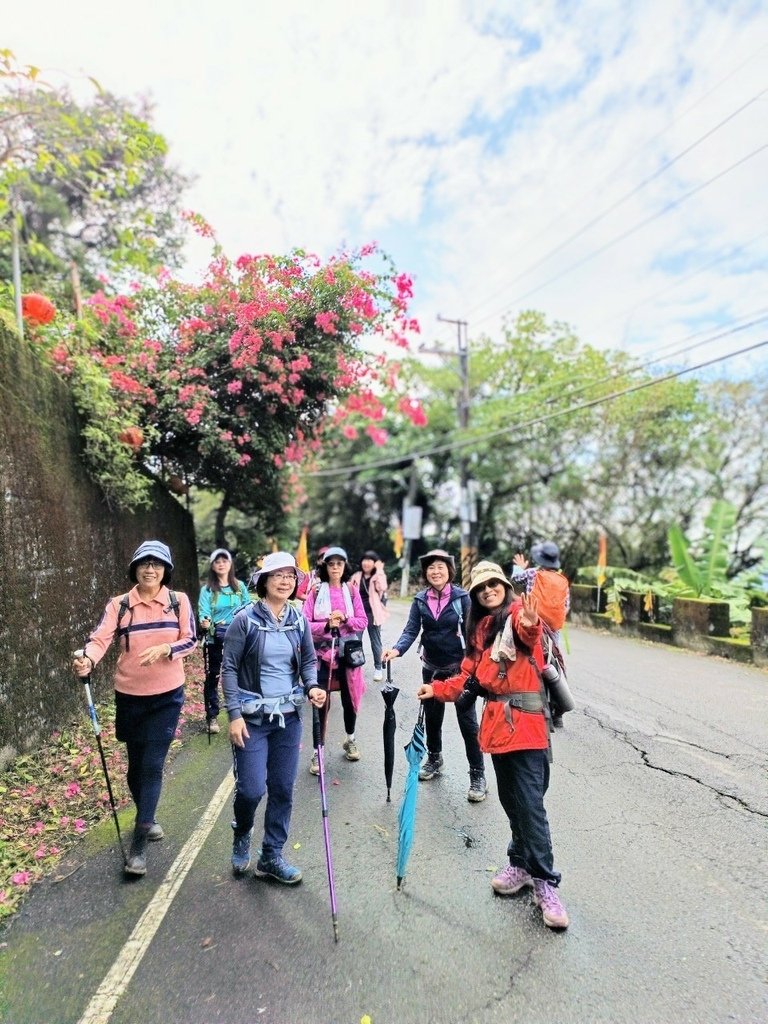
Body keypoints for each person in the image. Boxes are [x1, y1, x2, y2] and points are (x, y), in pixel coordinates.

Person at [417, 560, 569, 930]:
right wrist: (435, 689)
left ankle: (546, 882)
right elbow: (467, 677)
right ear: (475, 596)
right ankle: (519, 863)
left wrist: (531, 621)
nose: (487, 591)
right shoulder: (481, 632)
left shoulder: (516, 616)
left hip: (529, 728)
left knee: (531, 806)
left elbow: (528, 631)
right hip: (499, 730)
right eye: (480, 588)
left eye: (493, 584)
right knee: (511, 802)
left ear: (504, 585)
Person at [71, 541, 197, 878]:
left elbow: (191, 639)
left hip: (167, 696)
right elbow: (99, 639)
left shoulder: (178, 601)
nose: (150, 569)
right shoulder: (120, 605)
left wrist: (167, 648)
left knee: (153, 766)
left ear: (166, 570)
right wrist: (87, 659)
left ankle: (139, 843)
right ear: (135, 569)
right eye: (144, 563)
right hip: (129, 695)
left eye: (157, 564)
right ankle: (147, 814)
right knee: (135, 764)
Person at [220, 552, 326, 884]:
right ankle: (242, 831)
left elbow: (309, 660)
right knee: (251, 790)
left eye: (290, 576)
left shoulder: (298, 620)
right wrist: (234, 714)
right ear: (264, 580)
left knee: (282, 788)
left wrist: (312, 686)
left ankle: (271, 855)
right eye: (277, 575)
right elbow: (230, 668)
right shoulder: (245, 620)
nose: (285, 581)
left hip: (288, 717)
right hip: (251, 719)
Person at [382, 549, 487, 803]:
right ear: (426, 573)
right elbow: (411, 630)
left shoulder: (463, 598)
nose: (435, 571)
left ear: (449, 571)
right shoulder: (420, 600)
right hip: (431, 667)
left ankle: (477, 773)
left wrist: (474, 666)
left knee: (468, 723)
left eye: (440, 567)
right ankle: (435, 758)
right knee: (432, 719)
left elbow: (472, 635)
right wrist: (396, 649)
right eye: (431, 568)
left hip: (459, 669)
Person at [303, 546, 368, 773]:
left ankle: (350, 739)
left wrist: (346, 619)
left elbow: (363, 621)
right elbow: (305, 625)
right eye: (331, 564)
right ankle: (316, 752)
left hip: (347, 655)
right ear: (325, 567)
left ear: (345, 566)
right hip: (321, 657)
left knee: (350, 700)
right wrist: (326, 625)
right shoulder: (314, 592)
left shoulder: (351, 591)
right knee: (321, 703)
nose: (335, 568)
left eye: (339, 564)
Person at [512, 541, 571, 727]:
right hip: (553, 630)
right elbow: (566, 607)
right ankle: (558, 711)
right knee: (555, 664)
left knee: (526, 660)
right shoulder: (563, 581)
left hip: (534, 624)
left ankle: (525, 705)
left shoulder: (532, 574)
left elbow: (515, 579)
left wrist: (519, 567)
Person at [198, 548, 250, 735]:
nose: (221, 564)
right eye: (217, 561)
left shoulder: (240, 587)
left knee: (242, 672)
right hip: (215, 638)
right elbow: (203, 610)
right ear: (212, 566)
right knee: (214, 675)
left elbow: (247, 608)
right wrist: (205, 621)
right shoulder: (207, 590)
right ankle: (212, 715)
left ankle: (242, 710)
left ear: (230, 564)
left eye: (224, 560)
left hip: (238, 637)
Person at [350, 550, 389, 682]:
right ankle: (356, 667)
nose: (366, 563)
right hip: (358, 614)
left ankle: (378, 668)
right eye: (364, 560)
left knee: (375, 642)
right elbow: (349, 592)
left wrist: (379, 571)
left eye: (370, 560)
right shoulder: (356, 576)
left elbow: (382, 587)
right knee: (355, 642)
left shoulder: (377, 576)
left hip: (373, 613)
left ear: (375, 563)